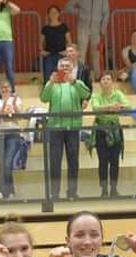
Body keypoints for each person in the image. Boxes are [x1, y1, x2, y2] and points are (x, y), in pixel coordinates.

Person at [42, 57, 90, 202]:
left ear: (72, 68)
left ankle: (72, 192)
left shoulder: (78, 83)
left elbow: (86, 94)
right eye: (62, 66)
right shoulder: (53, 84)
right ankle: (54, 193)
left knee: (73, 161)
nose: (65, 69)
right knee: (55, 161)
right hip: (55, 127)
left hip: (73, 127)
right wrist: (50, 82)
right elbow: (44, 98)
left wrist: (74, 82)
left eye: (67, 66)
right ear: (58, 68)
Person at [90, 71, 128, 198]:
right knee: (103, 161)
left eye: (108, 79)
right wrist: (112, 107)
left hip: (115, 129)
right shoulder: (96, 95)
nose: (106, 81)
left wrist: (113, 107)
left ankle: (114, 189)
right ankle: (104, 189)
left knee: (115, 161)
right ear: (100, 83)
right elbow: (95, 108)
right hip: (101, 129)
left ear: (112, 82)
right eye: (103, 79)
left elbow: (127, 105)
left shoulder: (118, 94)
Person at [0, 79, 23, 200]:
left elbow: (18, 117)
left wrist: (13, 103)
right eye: (2, 88)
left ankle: (3, 190)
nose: (5, 90)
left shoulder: (17, 100)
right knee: (2, 165)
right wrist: (4, 104)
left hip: (13, 134)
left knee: (8, 163)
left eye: (7, 88)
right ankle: (9, 191)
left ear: (11, 89)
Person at [64, 0, 108, 74]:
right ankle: (80, 76)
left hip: (97, 29)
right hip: (83, 28)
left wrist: (102, 29)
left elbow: (106, 13)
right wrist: (79, 13)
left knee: (96, 54)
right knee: (81, 53)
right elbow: (67, 7)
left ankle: (98, 76)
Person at [40, 5, 71, 82]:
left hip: (62, 55)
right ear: (48, 15)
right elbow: (40, 43)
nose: (53, 14)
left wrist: (66, 51)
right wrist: (42, 51)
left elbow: (69, 41)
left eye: (55, 12)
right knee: (48, 77)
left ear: (59, 14)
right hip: (49, 55)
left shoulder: (64, 27)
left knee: (62, 77)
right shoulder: (45, 28)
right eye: (51, 13)